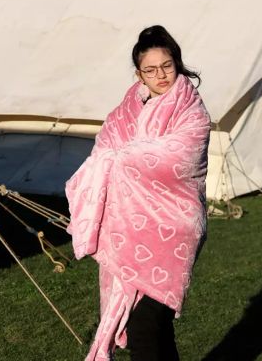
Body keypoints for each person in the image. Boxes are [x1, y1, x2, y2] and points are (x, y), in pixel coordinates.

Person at [66, 25, 211, 361]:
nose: (160, 75)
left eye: (167, 66)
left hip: (172, 229)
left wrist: (120, 156)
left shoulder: (192, 111)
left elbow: (178, 158)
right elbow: (103, 146)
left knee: (146, 325)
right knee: (153, 328)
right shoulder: (126, 109)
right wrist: (117, 156)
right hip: (128, 229)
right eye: (150, 69)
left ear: (177, 63)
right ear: (138, 74)